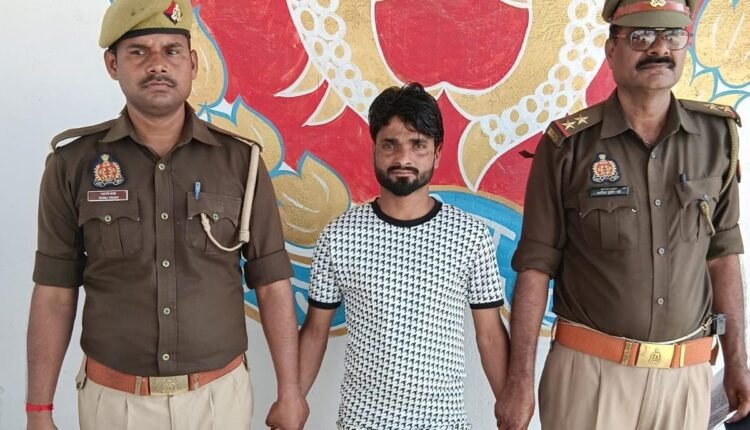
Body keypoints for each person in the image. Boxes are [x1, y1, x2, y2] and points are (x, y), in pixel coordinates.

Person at [25, 1, 308, 429]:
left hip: (218, 402)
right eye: (138, 51)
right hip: (114, 405)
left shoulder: (242, 162)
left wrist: (290, 393)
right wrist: (38, 410)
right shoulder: (73, 164)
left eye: (171, 51)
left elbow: (272, 285)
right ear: (112, 64)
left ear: (192, 63)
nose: (157, 64)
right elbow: (54, 292)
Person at [495, 0, 750, 429]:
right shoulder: (569, 146)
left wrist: (738, 360)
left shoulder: (716, 138)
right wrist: (519, 381)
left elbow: (722, 256)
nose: (659, 49)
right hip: (591, 377)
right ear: (611, 51)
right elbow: (536, 266)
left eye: (673, 36)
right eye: (641, 36)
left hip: (685, 379)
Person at [298, 82, 510, 429]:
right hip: (363, 422)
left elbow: (489, 334)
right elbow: (315, 331)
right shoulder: (338, 236)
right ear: (374, 149)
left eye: (418, 145)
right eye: (390, 145)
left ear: (437, 153)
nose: (403, 159)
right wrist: (292, 398)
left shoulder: (470, 236)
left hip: (443, 423)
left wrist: (509, 407)